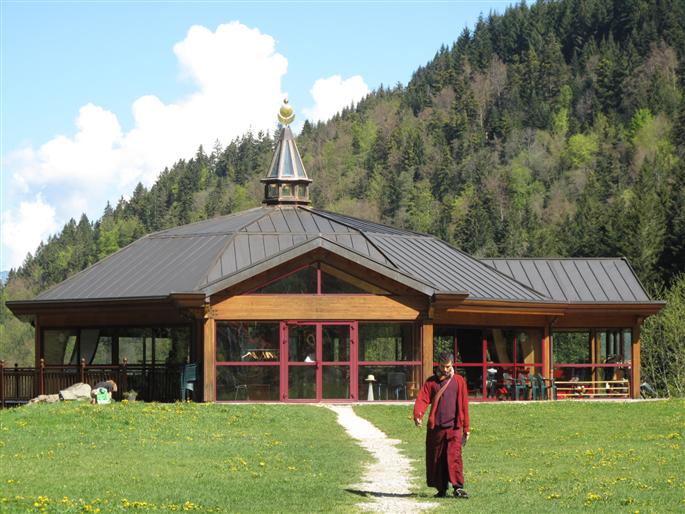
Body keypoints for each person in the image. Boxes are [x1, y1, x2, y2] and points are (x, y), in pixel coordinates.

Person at [413, 352, 470, 499]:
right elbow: (422, 399)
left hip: (454, 427)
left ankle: (458, 488)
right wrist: (418, 415)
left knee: (454, 457)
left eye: (448, 366)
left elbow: (464, 406)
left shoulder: (459, 381)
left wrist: (466, 428)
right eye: (443, 366)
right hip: (436, 428)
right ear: (438, 364)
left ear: (452, 365)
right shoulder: (431, 382)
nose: (445, 370)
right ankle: (441, 489)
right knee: (437, 459)